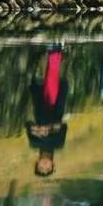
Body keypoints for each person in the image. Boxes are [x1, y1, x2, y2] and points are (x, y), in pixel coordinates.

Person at [26, 47, 68, 179]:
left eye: (41, 167)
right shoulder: (58, 144)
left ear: (37, 163)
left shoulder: (34, 144)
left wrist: (36, 129)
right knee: (54, 81)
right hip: (55, 108)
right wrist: (50, 128)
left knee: (40, 79)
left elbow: (27, 125)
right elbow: (64, 127)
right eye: (47, 167)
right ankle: (55, 52)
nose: (44, 164)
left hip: (39, 106)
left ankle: (50, 53)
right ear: (52, 164)